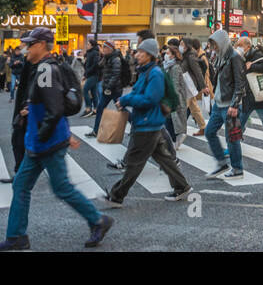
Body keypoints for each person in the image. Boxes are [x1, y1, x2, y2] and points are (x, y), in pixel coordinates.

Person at [0, 28, 114, 250]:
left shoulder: (46, 68)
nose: (26, 48)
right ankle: (16, 236)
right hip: (40, 140)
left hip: (47, 142)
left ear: (40, 45)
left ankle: (98, 220)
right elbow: (49, 102)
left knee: (61, 188)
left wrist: (42, 134)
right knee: (21, 185)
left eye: (30, 44)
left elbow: (55, 108)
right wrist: (31, 108)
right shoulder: (42, 67)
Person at [107, 39, 191, 204]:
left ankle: (116, 196)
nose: (137, 55)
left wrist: (126, 100)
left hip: (148, 123)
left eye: (141, 52)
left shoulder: (155, 73)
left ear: (150, 55)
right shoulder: (145, 71)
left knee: (134, 164)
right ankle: (182, 187)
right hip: (150, 123)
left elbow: (150, 99)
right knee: (164, 159)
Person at [202, 29, 248, 179]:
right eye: (212, 44)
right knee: (209, 132)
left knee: (232, 138)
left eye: (215, 43)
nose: (213, 47)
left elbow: (240, 83)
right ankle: (222, 163)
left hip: (230, 105)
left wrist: (235, 105)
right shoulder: (220, 57)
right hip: (219, 103)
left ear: (222, 42)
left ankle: (237, 169)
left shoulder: (235, 57)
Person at [88, 41, 124, 137]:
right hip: (107, 89)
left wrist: (108, 87)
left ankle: (134, 124)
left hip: (114, 89)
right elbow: (98, 66)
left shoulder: (116, 59)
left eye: (105, 48)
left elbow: (116, 75)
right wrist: (102, 55)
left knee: (121, 108)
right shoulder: (107, 58)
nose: (103, 49)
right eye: (103, 47)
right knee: (100, 108)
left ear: (110, 49)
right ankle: (96, 131)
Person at [80, 36, 101, 117]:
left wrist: (86, 74)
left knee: (85, 90)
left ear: (92, 45)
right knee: (93, 92)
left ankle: (88, 108)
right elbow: (88, 65)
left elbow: (95, 65)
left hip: (93, 75)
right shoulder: (89, 53)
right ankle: (95, 109)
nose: (87, 45)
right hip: (91, 75)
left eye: (88, 44)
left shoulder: (94, 53)